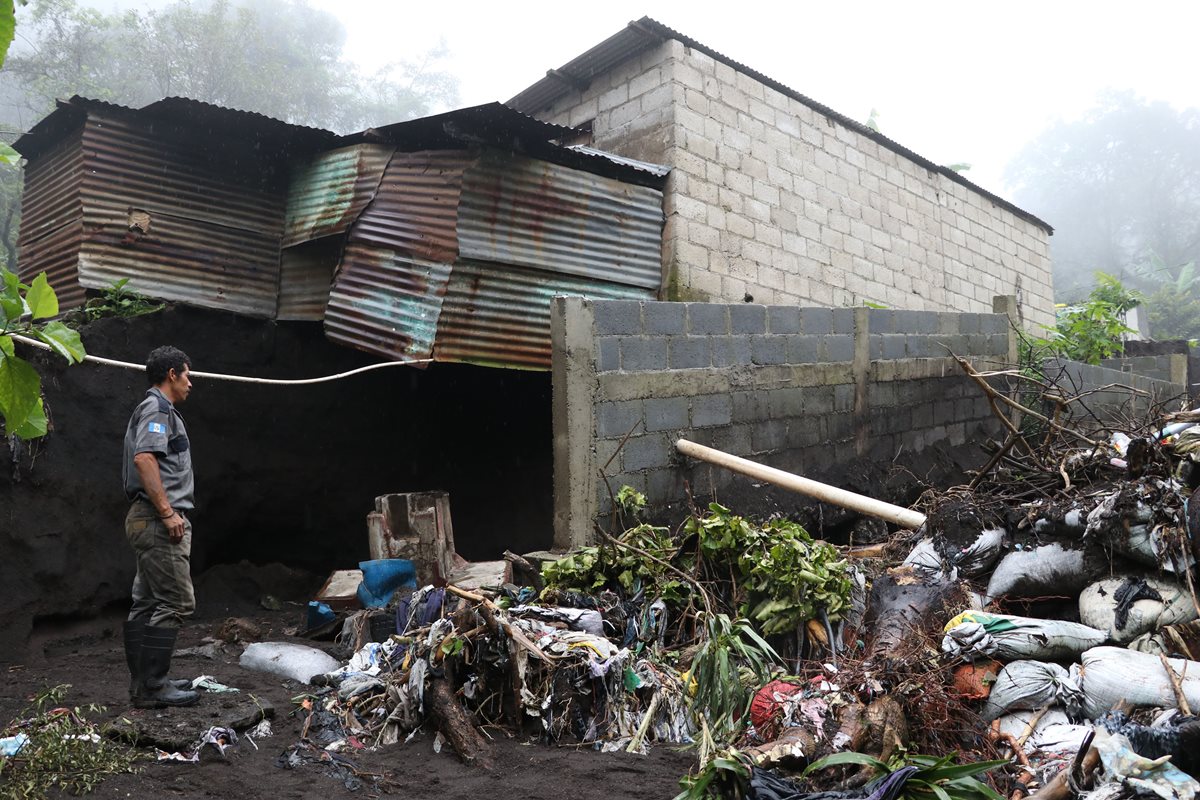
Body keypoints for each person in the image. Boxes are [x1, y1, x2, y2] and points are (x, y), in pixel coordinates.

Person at [120, 346, 200, 708]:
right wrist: (168, 513)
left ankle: (144, 685)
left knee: (146, 601)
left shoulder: (156, 410)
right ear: (171, 374)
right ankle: (154, 685)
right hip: (155, 520)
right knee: (177, 601)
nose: (190, 382)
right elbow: (144, 458)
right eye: (187, 374)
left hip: (145, 518)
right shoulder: (157, 408)